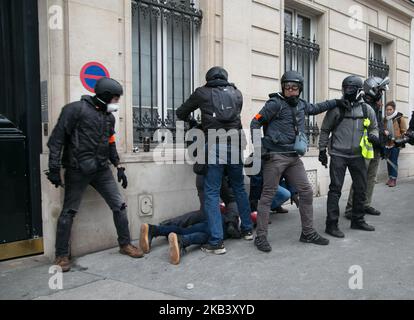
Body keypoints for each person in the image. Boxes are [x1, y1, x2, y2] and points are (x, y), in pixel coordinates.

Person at [46, 77, 142, 272]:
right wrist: (54, 168)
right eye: (115, 99)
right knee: (69, 211)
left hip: (101, 169)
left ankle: (125, 244)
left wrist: (119, 166)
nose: (116, 103)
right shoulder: (74, 110)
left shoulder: (109, 117)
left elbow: (111, 142)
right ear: (106, 96)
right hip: (77, 170)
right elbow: (56, 140)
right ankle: (61, 256)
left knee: (119, 206)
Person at [250, 70, 339, 252]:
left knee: (306, 191)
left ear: (300, 90)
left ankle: (307, 232)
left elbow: (316, 108)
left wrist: (337, 102)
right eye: (287, 87)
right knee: (267, 196)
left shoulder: (301, 105)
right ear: (283, 88)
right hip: (275, 157)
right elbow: (255, 122)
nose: (291, 91)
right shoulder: (275, 104)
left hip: (293, 157)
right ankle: (260, 237)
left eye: (295, 88)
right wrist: (260, 150)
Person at [176, 66, 253, 255]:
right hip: (235, 144)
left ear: (208, 78)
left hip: (215, 146)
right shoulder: (237, 93)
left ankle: (217, 242)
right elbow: (234, 117)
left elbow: (181, 112)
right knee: (239, 188)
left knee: (211, 193)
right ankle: (248, 230)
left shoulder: (202, 93)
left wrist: (196, 124)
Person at [319, 75, 379, 238]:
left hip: (358, 155)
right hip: (338, 154)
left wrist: (374, 136)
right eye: (345, 88)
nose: (348, 91)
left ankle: (357, 220)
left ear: (359, 91)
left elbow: (374, 127)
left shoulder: (367, 109)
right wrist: (321, 150)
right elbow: (325, 129)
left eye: (351, 89)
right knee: (335, 189)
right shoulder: (337, 108)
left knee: (361, 188)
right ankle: (331, 225)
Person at [139, 173, 243, 265]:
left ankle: (154, 229)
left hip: (210, 214)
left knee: (188, 230)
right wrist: (233, 224)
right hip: (220, 222)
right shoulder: (239, 205)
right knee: (210, 235)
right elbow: (235, 208)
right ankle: (182, 241)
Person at [344, 77, 389, 218]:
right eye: (380, 90)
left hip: (375, 147)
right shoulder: (361, 103)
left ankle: (365, 204)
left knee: (371, 178)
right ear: (372, 89)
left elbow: (377, 126)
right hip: (364, 147)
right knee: (360, 178)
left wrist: (382, 143)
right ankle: (351, 208)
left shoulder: (375, 105)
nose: (381, 93)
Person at [383, 101, 407, 187]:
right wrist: (384, 132)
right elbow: (383, 129)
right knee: (388, 161)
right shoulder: (385, 119)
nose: (388, 111)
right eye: (387, 109)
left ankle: (393, 179)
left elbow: (404, 131)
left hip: (396, 143)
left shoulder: (399, 117)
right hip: (387, 143)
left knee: (393, 161)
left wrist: (400, 141)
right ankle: (390, 178)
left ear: (394, 109)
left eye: (390, 109)